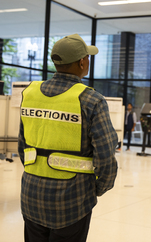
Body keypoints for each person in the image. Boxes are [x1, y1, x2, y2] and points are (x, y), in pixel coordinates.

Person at [18, 33, 118, 242]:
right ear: (82, 62)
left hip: (31, 193)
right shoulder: (91, 100)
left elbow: (23, 146)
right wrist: (97, 189)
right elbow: (106, 156)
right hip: (72, 200)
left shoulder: (30, 94)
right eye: (87, 58)